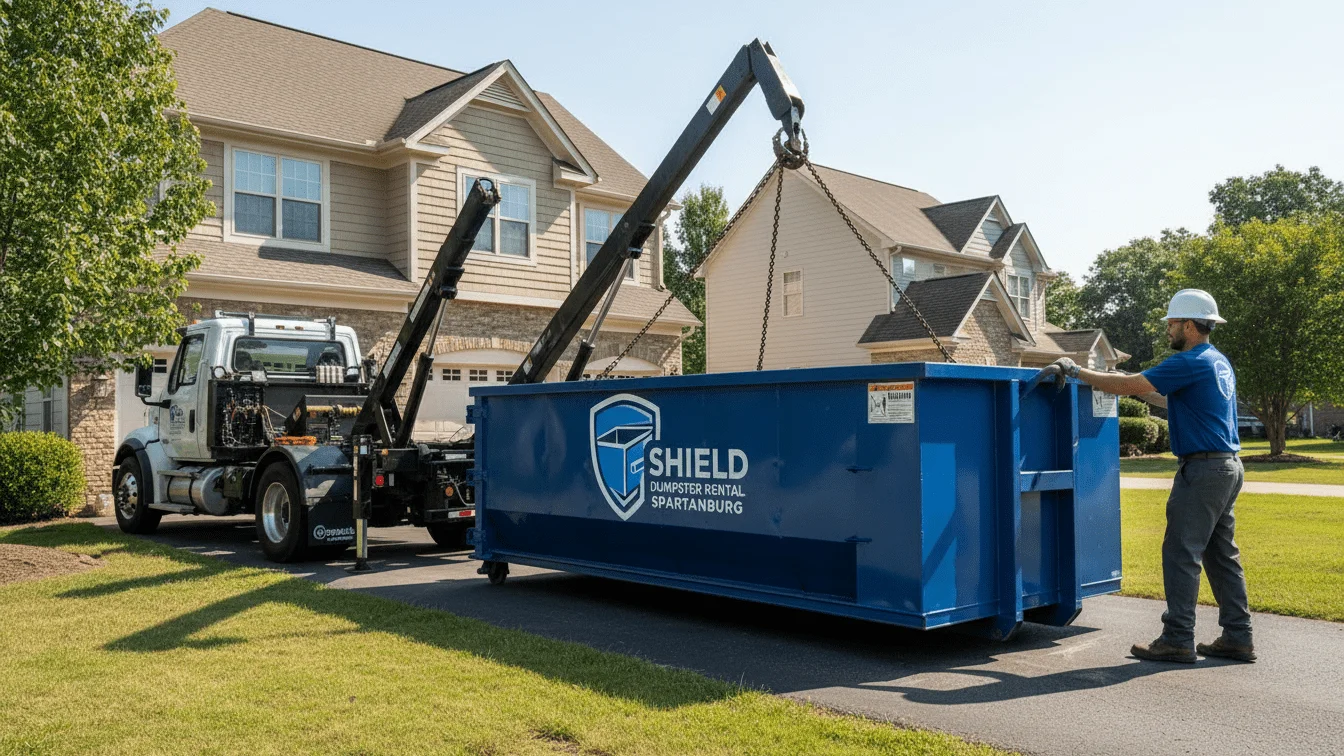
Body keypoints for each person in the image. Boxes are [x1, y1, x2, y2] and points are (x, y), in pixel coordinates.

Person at [1036, 289, 1254, 664]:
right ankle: (1238, 636)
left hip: (1203, 470)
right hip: (1227, 466)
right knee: (1221, 555)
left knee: (1181, 553)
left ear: (1188, 324)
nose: (1168, 329)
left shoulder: (1189, 360)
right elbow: (1164, 397)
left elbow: (1130, 386)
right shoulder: (1217, 361)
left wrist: (1075, 370)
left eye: (1171, 323)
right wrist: (1121, 379)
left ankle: (1177, 638)